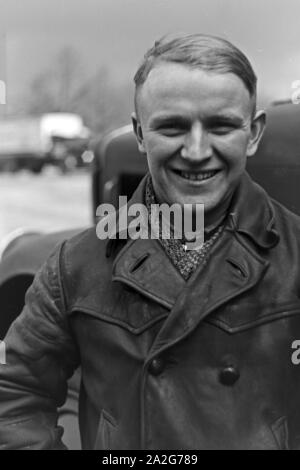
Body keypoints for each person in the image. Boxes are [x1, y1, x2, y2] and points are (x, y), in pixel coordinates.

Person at [0, 32, 300, 450]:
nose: (196, 151)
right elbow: (14, 393)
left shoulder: (296, 256)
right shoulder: (77, 265)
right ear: (140, 133)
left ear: (253, 133)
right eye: (172, 127)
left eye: (221, 126)